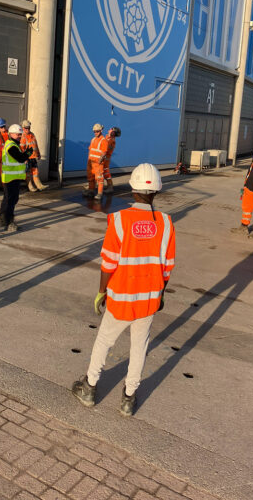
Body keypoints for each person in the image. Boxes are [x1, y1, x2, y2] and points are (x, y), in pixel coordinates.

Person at [70, 163, 174, 417]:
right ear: (156, 192)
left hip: (121, 298)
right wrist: (159, 294)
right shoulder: (166, 223)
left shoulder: (118, 220)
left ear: (133, 190)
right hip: (149, 299)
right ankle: (128, 399)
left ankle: (90, 388)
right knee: (139, 348)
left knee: (105, 341)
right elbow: (167, 266)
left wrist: (101, 292)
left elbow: (108, 263)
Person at [0, 125, 28, 231]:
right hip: (10, 178)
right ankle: (8, 222)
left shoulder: (13, 144)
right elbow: (20, 158)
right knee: (11, 200)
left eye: (20, 134)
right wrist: (28, 153)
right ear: (11, 134)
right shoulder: (11, 146)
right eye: (17, 134)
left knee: (8, 199)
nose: (19, 136)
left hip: (12, 177)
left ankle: (3, 220)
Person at [86, 124, 111, 200]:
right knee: (90, 177)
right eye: (94, 131)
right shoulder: (93, 139)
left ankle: (99, 193)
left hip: (97, 163)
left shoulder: (103, 140)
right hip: (91, 162)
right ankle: (91, 191)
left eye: (97, 131)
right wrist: (89, 161)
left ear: (101, 131)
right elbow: (90, 150)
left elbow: (104, 152)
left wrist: (100, 161)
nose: (96, 133)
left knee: (99, 178)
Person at [19, 120, 43, 192]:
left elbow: (35, 145)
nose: (28, 130)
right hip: (28, 157)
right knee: (28, 173)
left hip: (33, 157)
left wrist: (38, 153)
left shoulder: (32, 134)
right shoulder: (22, 136)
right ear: (23, 128)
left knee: (35, 171)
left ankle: (39, 185)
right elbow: (21, 149)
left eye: (29, 128)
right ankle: (30, 186)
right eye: (26, 128)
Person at [103, 127, 121, 195]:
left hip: (105, 159)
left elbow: (105, 148)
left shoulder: (111, 140)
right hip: (104, 158)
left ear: (113, 132)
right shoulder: (109, 138)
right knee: (103, 172)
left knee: (105, 173)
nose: (109, 129)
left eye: (111, 129)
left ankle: (110, 187)